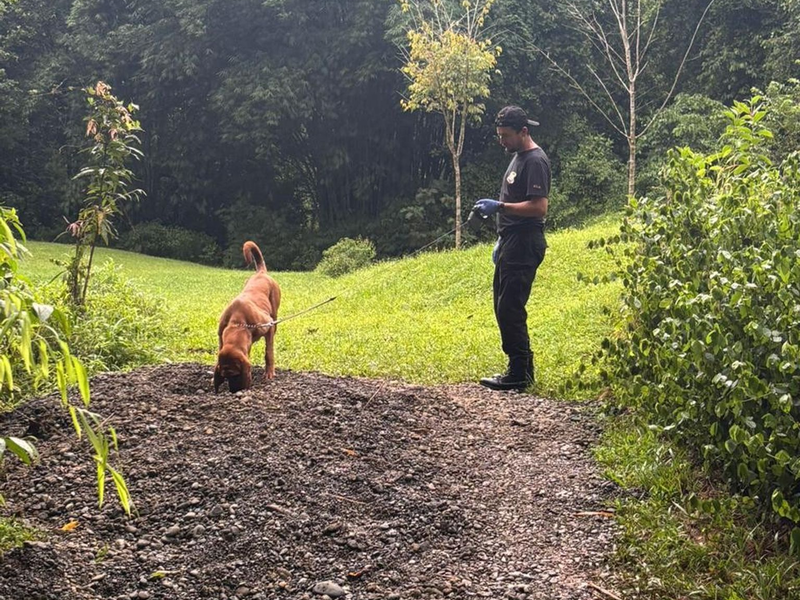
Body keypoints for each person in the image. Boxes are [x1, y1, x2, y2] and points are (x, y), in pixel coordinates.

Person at [472, 106, 550, 391]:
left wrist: (500, 207)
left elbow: (539, 206)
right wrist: (501, 235)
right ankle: (520, 369)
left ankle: (520, 372)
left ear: (523, 132)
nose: (501, 141)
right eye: (499, 135)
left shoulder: (535, 161)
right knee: (501, 306)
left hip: (525, 241)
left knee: (510, 308)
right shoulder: (518, 157)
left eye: (506, 136)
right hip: (510, 240)